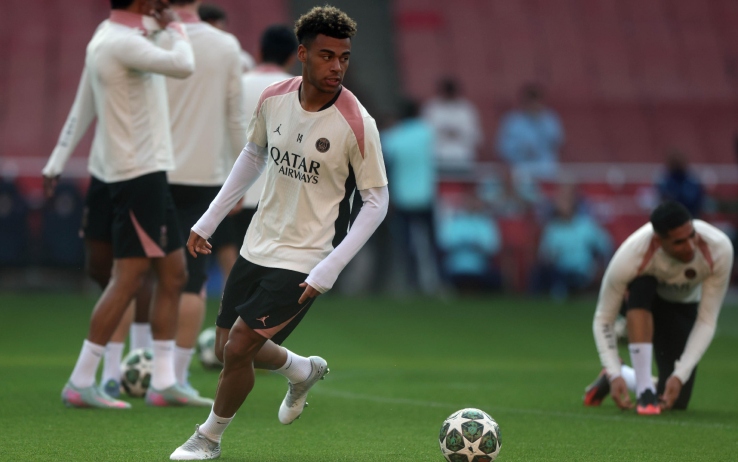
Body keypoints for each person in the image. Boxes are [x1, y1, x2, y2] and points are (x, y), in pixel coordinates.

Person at [169, 5, 388, 460]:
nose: (337, 66)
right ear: (302, 54)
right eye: (326, 56)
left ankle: (208, 438)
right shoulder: (273, 98)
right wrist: (208, 220)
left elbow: (376, 202)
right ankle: (302, 370)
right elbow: (253, 155)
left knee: (239, 348)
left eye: (344, 57)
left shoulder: (357, 123)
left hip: (307, 256)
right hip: (258, 243)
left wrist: (330, 268)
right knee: (227, 347)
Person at [42, 0, 208, 409]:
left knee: (174, 273)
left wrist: (57, 159)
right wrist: (176, 25)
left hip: (144, 172)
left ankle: (163, 381)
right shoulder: (125, 43)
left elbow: (84, 102)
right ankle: (81, 380)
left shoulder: (106, 35)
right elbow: (184, 64)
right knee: (129, 278)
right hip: (138, 175)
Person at [583, 201, 733, 414]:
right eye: (679, 242)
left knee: (676, 399)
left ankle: (626, 368)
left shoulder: (719, 248)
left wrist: (679, 375)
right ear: (658, 241)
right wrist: (612, 370)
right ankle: (644, 391)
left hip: (683, 305)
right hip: (641, 302)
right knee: (643, 285)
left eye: (692, 235)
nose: (690, 246)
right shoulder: (631, 254)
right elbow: (603, 318)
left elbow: (707, 320)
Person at [224, 24, 299, 276]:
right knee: (273, 272)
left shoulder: (236, 85)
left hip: (238, 192)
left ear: (258, 51)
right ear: (293, 56)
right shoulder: (299, 91)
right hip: (282, 195)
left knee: (239, 271)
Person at [381, 98, 441, 294]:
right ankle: (437, 283)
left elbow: (385, 167)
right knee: (431, 244)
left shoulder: (391, 137)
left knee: (406, 246)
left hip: (402, 199)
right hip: (425, 196)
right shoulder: (427, 132)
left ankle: (411, 284)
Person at [531, 184, 612, 300]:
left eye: (566, 201)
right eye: (560, 201)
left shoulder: (586, 225)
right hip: (559, 272)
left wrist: (599, 266)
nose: (562, 205)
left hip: (583, 271)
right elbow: (543, 255)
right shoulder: (552, 229)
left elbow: (606, 246)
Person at [437, 189, 502, 294]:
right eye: (470, 201)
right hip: (456, 267)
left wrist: (478, 246)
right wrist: (462, 244)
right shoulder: (456, 221)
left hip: (480, 268)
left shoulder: (486, 222)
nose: (472, 204)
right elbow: (444, 243)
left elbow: (493, 247)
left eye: (475, 202)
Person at [496, 83, 564, 181]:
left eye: (536, 100)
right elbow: (502, 149)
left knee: (567, 178)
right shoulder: (512, 121)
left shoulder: (550, 119)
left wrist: (540, 123)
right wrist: (521, 149)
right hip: (520, 170)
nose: (533, 104)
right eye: (530, 101)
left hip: (547, 169)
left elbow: (558, 142)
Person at [421, 77, 483, 173]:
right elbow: (424, 135)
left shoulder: (466, 110)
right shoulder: (432, 109)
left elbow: (476, 137)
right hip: (437, 158)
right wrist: (443, 132)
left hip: (462, 157)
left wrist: (457, 133)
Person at [197, 2, 255, 72]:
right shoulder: (192, 55)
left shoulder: (241, 58)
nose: (214, 33)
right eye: (211, 26)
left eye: (218, 27)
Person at [656, 148, 705, 218]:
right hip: (670, 219)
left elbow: (697, 202)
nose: (677, 164)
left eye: (678, 162)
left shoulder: (692, 182)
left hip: (690, 217)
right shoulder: (664, 183)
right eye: (674, 162)